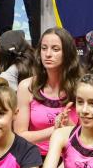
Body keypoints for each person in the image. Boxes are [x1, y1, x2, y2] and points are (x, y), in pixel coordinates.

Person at [15, 28, 82, 156]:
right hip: (34, 157)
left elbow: (88, 136)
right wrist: (55, 130)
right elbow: (20, 136)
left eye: (55, 49)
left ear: (67, 53)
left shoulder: (81, 88)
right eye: (44, 48)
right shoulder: (26, 87)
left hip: (71, 156)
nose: (48, 54)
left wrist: (69, 126)